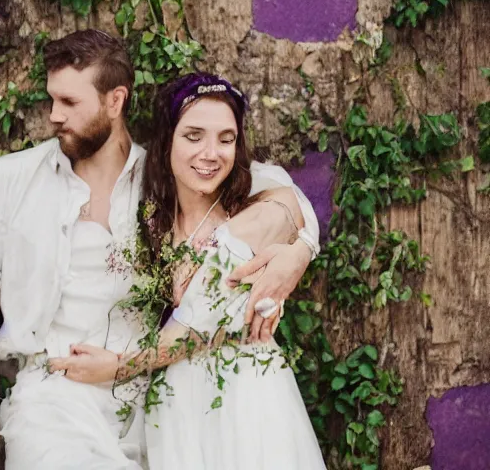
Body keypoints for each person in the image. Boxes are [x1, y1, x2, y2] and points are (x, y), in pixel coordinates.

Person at [0, 30, 321, 469]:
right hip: (54, 397)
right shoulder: (6, 180)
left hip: (154, 400)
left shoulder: (172, 176)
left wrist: (300, 252)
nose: (53, 116)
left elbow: (279, 198)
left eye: (69, 103)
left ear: (115, 101)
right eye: (52, 100)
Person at [47, 72, 327, 469]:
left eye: (225, 139)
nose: (211, 153)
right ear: (167, 142)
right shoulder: (147, 216)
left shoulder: (255, 206)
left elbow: (201, 322)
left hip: (248, 398)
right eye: (194, 136)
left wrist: (300, 251)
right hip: (175, 403)